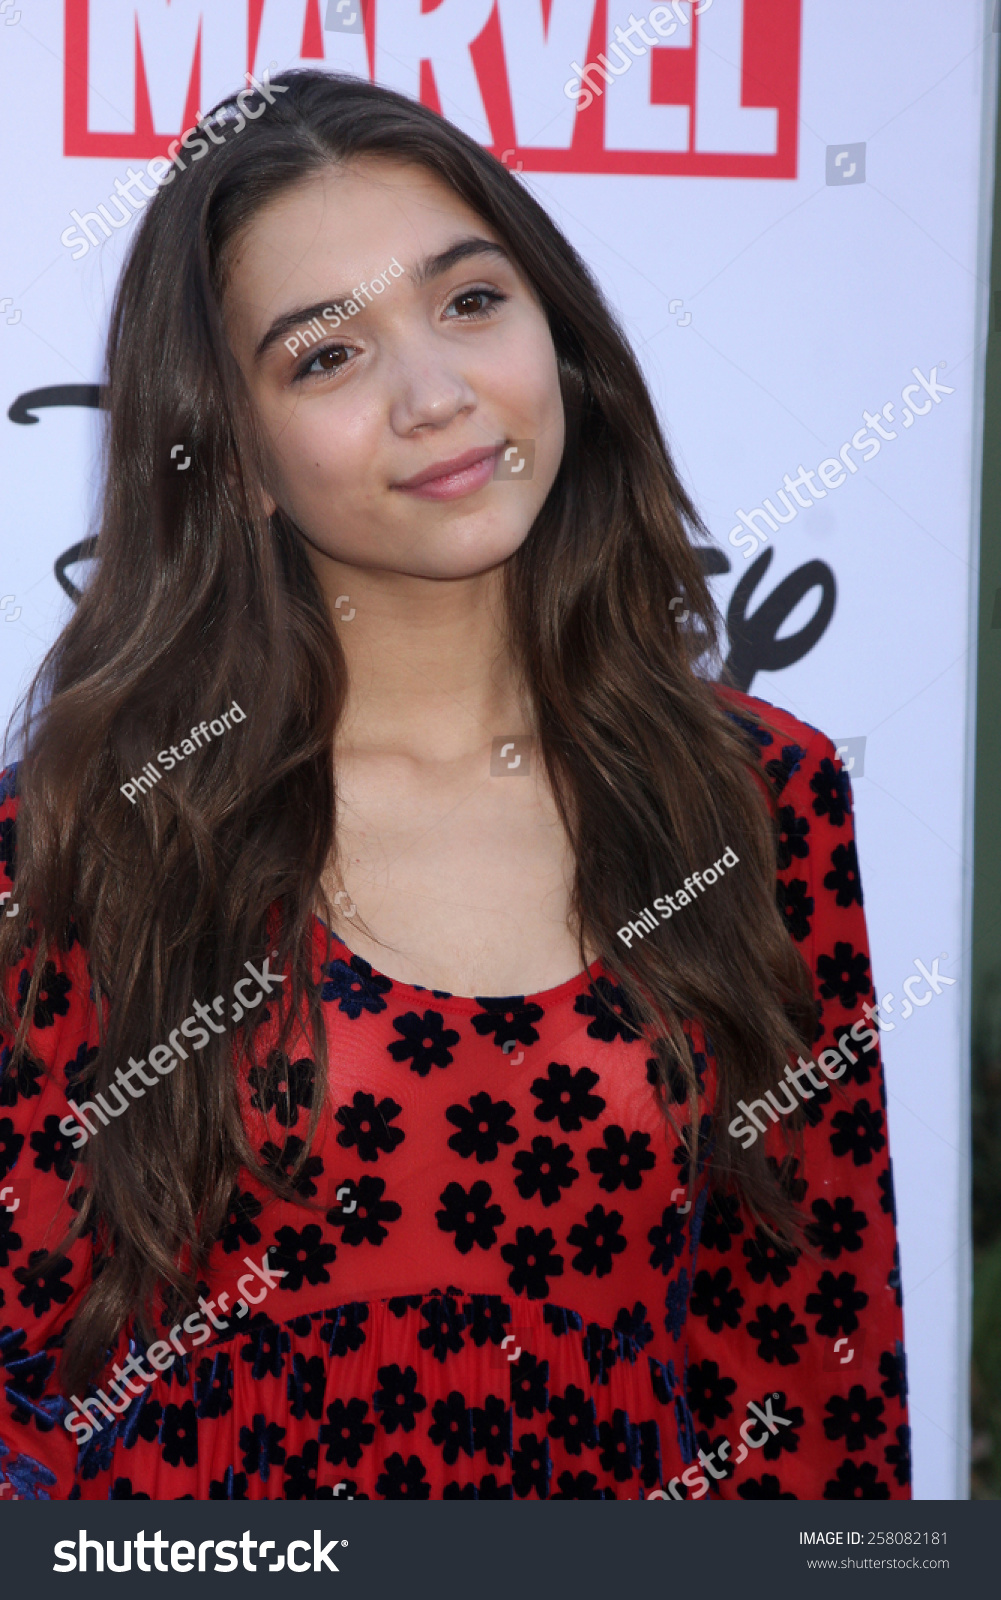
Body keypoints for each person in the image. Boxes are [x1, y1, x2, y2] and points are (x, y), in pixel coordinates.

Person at [0, 70, 907, 1501]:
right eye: (326, 357)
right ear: (232, 461)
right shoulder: (97, 830)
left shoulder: (757, 802)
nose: (435, 395)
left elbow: (809, 1380)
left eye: (470, 302)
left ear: (560, 333)